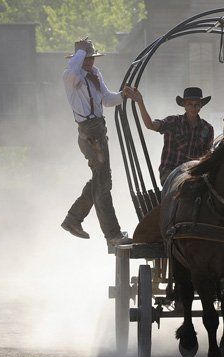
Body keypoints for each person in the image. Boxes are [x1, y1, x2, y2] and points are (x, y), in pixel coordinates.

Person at [61, 37, 134, 246]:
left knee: (102, 181)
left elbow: (107, 99)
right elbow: (74, 71)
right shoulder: (70, 76)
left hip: (97, 130)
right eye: (86, 58)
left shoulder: (94, 75)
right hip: (90, 132)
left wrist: (123, 95)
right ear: (77, 59)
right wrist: (81, 53)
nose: (89, 62)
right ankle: (112, 235)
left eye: (91, 58)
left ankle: (73, 219)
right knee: (103, 185)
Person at [129, 87, 214, 184]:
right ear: (184, 105)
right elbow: (150, 125)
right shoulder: (173, 122)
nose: (193, 108)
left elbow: (206, 157)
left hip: (194, 173)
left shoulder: (207, 128)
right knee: (184, 185)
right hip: (171, 172)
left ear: (201, 106)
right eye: (189, 104)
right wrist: (140, 102)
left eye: (196, 105)